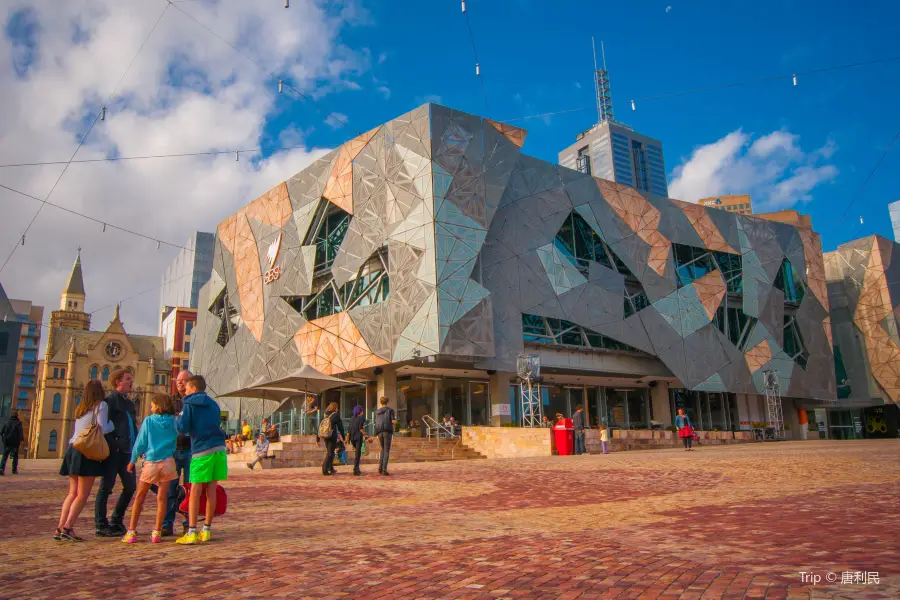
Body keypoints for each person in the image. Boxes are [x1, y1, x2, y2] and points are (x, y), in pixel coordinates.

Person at [56, 381, 114, 541]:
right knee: (82, 494)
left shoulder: (80, 408)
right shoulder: (101, 405)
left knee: (72, 493)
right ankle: (68, 528)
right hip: (86, 452)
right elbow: (102, 428)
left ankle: (60, 527)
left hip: (73, 448)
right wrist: (112, 425)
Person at [175, 375, 227, 544]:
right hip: (219, 449)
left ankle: (191, 531)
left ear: (194, 388)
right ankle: (207, 529)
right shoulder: (213, 404)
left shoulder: (189, 403)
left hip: (201, 449)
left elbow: (182, 427)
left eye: (188, 389)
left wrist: (178, 420)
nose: (186, 391)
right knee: (212, 489)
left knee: (195, 491)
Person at [122, 394, 178, 544]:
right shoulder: (174, 421)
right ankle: (157, 532)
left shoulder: (149, 421)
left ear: (158, 405)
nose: (150, 408)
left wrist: (132, 460)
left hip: (152, 462)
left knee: (140, 496)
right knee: (162, 498)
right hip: (168, 462)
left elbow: (140, 442)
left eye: (152, 405)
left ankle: (131, 531)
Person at [95, 369, 138, 537]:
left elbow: (132, 426)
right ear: (118, 382)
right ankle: (101, 524)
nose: (131, 382)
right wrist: (115, 444)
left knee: (130, 487)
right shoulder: (109, 401)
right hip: (114, 452)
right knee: (106, 488)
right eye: (128, 379)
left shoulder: (129, 403)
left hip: (128, 452)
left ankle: (116, 520)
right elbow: (104, 427)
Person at [162, 370, 192, 536]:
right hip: (173, 450)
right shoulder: (170, 401)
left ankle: (189, 522)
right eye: (178, 380)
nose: (180, 383)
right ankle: (167, 523)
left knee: (190, 488)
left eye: (184, 380)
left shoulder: (193, 401)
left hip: (190, 450)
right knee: (170, 490)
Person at [316, 402, 346, 476]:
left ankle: (330, 468)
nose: (338, 409)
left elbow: (320, 426)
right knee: (330, 453)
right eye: (337, 408)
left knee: (330, 452)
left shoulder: (325, 414)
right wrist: (344, 437)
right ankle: (324, 469)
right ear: (335, 408)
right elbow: (341, 427)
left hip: (325, 436)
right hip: (332, 436)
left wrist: (317, 439)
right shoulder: (335, 415)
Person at [374, 397, 395, 476]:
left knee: (383, 449)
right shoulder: (390, 410)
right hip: (387, 431)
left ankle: (380, 468)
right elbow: (393, 421)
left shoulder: (377, 411)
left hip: (379, 431)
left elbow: (375, 422)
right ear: (387, 402)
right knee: (386, 450)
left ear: (380, 402)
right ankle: (384, 469)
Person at [0, 410, 25, 475]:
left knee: (5, 456)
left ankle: (2, 469)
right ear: (17, 416)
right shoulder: (18, 423)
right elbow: (20, 433)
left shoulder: (6, 422)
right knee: (15, 457)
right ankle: (14, 470)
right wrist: (22, 440)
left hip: (7, 442)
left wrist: (4, 439)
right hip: (15, 443)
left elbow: (1, 432)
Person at [348, 405, 367, 476]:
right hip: (358, 437)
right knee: (357, 454)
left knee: (357, 453)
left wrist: (347, 437)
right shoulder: (361, 418)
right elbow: (361, 428)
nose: (363, 411)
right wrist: (366, 435)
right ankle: (356, 470)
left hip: (352, 438)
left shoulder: (352, 418)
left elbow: (349, 428)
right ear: (359, 411)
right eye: (362, 410)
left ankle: (357, 469)